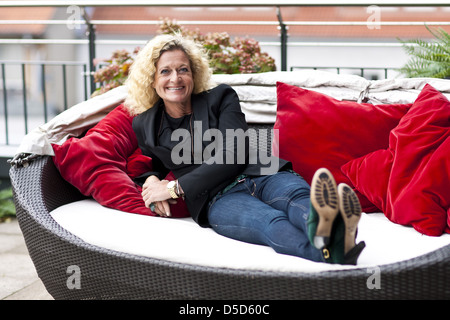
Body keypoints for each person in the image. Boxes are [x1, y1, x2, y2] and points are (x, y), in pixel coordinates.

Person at [125, 34, 365, 265]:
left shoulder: (221, 97)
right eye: (165, 71)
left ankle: (330, 227)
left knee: (296, 198)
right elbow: (149, 164)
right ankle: (334, 248)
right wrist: (151, 181)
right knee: (269, 222)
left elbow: (234, 154)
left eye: (183, 69)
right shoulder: (145, 124)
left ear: (194, 74)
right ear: (152, 80)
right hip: (216, 198)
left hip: (263, 173)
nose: (175, 78)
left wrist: (174, 189)